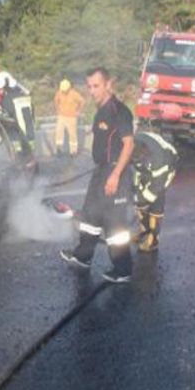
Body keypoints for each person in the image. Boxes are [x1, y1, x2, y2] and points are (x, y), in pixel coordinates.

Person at [60, 67, 134, 283]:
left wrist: (115, 175)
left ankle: (123, 270)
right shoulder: (100, 110)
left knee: (115, 223)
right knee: (90, 215)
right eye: (89, 86)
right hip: (101, 170)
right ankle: (83, 257)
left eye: (96, 86)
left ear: (108, 84)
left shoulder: (118, 111)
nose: (92, 91)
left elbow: (129, 145)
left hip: (115, 173)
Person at [132, 131, 178, 252]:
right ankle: (144, 231)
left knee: (156, 198)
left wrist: (142, 200)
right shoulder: (131, 143)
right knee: (139, 196)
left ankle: (153, 239)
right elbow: (136, 170)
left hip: (167, 166)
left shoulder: (159, 158)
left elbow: (156, 186)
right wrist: (136, 193)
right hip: (147, 162)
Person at [53, 78, 85, 156]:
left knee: (72, 135)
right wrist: (57, 109)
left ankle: (73, 151)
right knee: (58, 132)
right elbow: (55, 100)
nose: (63, 91)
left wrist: (78, 111)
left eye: (65, 90)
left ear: (69, 88)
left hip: (71, 117)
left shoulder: (74, 94)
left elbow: (82, 101)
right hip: (61, 116)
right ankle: (59, 149)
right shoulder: (59, 92)